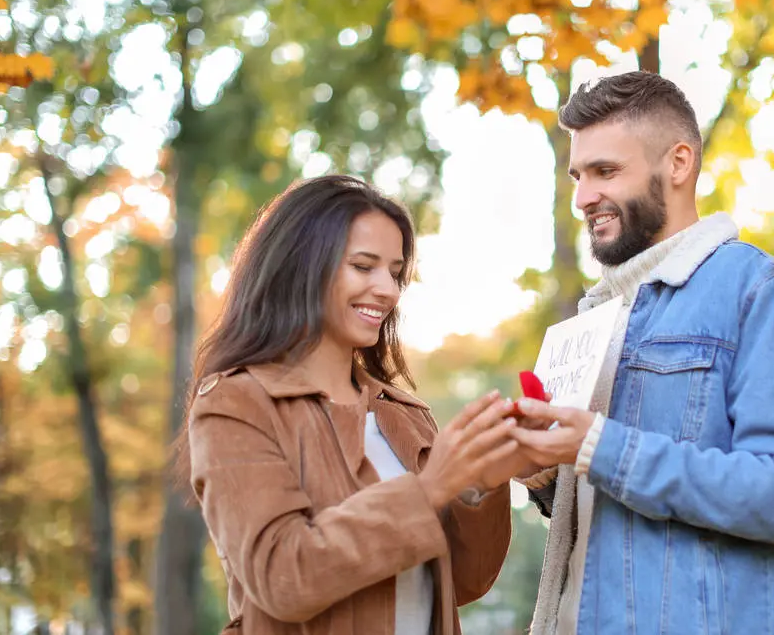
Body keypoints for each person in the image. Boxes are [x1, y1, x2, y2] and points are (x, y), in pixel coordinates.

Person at [511, 71, 774, 635]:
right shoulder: (595, 317)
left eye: (606, 171)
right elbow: (612, 526)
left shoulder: (763, 294)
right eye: (578, 175)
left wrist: (597, 443)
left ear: (679, 164)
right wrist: (545, 478)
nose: (585, 196)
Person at [181, 175, 527, 635]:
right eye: (364, 267)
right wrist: (428, 491)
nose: (387, 289)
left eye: (395, 272)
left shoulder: (405, 414)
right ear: (301, 266)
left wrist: (482, 484)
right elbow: (285, 576)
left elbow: (463, 582)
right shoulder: (234, 404)